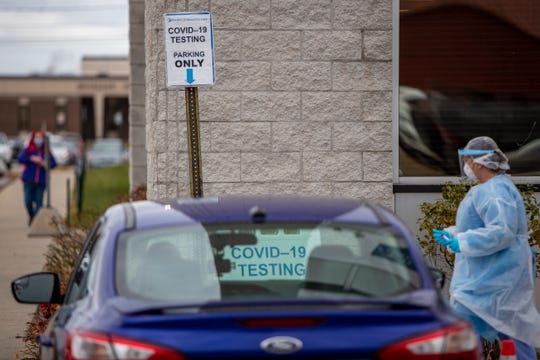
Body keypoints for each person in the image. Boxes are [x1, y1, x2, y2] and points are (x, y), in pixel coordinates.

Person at [433, 136, 540, 359]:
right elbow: (480, 226)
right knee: (509, 328)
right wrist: (452, 234)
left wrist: (462, 242)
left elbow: (501, 231)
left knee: (473, 330)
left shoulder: (493, 191)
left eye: (469, 160)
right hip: (491, 278)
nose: (467, 166)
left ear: (480, 162)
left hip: (494, 278)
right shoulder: (491, 189)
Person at [17, 130, 57, 226]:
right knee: (28, 201)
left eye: (40, 137)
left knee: (39, 202)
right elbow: (20, 158)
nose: (38, 139)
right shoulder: (28, 150)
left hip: (41, 181)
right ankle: (31, 215)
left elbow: (54, 163)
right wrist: (31, 158)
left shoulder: (46, 151)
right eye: (36, 137)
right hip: (28, 180)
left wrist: (44, 163)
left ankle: (35, 222)